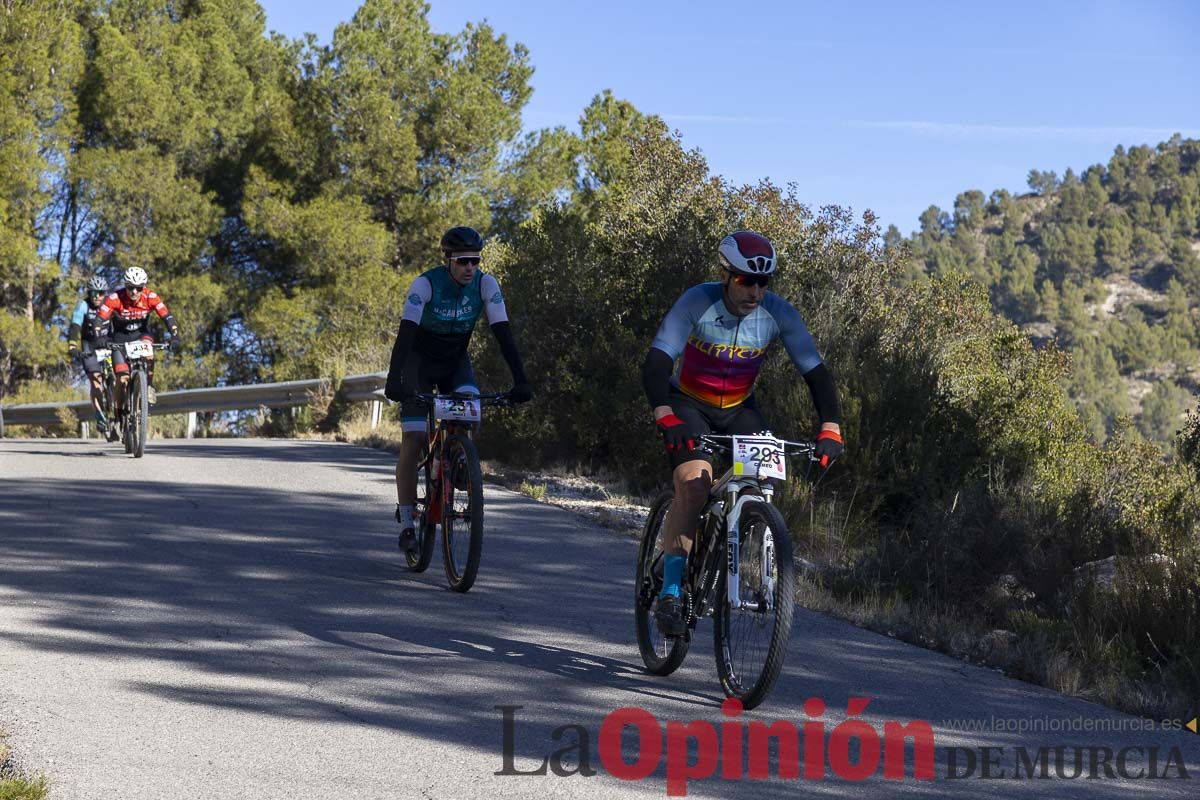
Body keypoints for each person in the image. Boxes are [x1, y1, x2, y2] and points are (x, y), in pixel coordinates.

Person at [641, 230, 844, 637]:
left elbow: (816, 373)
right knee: (694, 486)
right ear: (725, 275)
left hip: (739, 410)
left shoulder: (779, 313)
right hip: (689, 405)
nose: (754, 291)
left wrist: (830, 427)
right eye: (745, 281)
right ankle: (672, 589)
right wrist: (665, 414)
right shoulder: (698, 301)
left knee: (762, 480)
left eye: (763, 282)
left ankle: (730, 536)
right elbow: (658, 360)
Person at [384, 226, 532, 555]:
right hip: (418, 364)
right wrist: (395, 381)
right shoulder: (425, 284)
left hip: (454, 361)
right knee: (414, 439)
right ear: (448, 260)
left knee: (469, 412)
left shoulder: (485, 284)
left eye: (475, 261)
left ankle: (458, 463)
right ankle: (408, 521)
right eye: (463, 261)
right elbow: (405, 335)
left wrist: (521, 380)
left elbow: (504, 334)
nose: (470, 268)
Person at [95, 267, 180, 413]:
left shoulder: (150, 297)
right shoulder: (116, 298)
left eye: (138, 288)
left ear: (144, 287)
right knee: (122, 378)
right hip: (120, 338)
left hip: (141, 334)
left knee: (149, 353)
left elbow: (167, 317)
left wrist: (175, 335)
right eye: (130, 287)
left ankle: (149, 386)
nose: (134, 292)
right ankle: (119, 412)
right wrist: (99, 337)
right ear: (125, 285)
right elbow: (100, 319)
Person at [68, 275, 116, 434]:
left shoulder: (110, 304)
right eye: (93, 293)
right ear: (89, 293)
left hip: (108, 343)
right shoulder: (83, 305)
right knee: (96, 380)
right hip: (90, 346)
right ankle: (100, 415)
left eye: (101, 293)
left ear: (105, 293)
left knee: (120, 373)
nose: (97, 296)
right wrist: (73, 345)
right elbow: (75, 325)